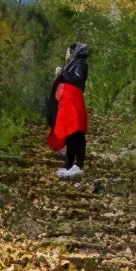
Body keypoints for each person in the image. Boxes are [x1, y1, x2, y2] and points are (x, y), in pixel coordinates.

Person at [46, 42, 88, 178]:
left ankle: (77, 165)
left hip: (73, 103)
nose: (69, 53)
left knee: (76, 133)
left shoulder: (80, 64)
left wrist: (63, 74)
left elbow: (78, 81)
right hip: (68, 103)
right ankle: (69, 164)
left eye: (71, 50)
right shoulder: (74, 63)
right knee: (70, 133)